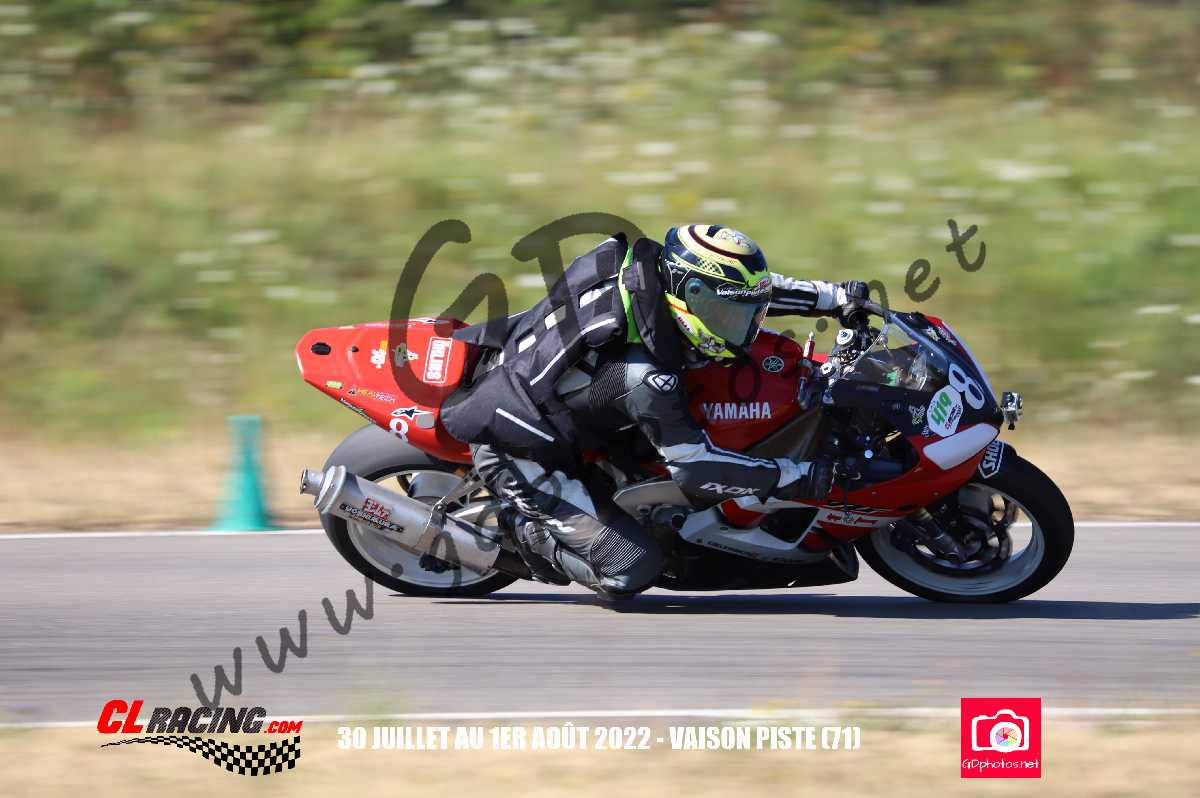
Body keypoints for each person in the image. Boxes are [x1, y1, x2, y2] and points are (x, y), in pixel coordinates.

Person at [441, 224, 871, 598]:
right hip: (517, 448)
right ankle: (526, 530)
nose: (745, 325)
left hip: (543, 383)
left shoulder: (655, 276)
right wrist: (793, 476)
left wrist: (835, 298)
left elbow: (738, 291)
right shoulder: (646, 378)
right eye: (730, 315)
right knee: (631, 569)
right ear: (689, 299)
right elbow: (696, 469)